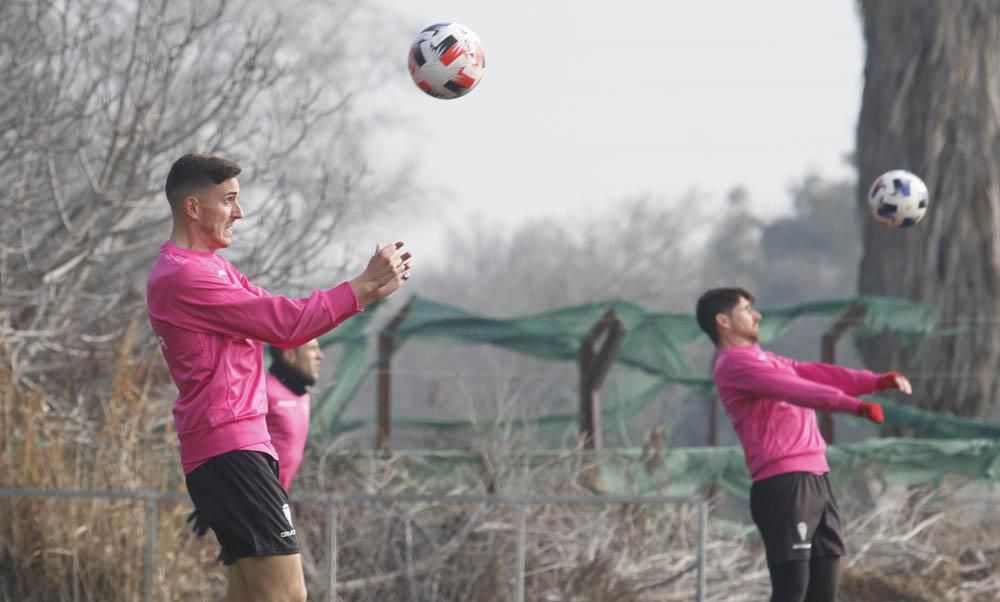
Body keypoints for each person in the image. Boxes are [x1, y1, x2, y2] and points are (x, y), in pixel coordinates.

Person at [147, 153, 412, 602]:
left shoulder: (213, 268)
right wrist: (364, 286)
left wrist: (368, 290)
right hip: (231, 453)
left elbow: (285, 318)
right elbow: (287, 325)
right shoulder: (185, 277)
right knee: (288, 596)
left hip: (237, 453)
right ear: (193, 208)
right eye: (229, 200)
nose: (240, 212)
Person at [695, 287, 911, 602]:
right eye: (747, 309)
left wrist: (874, 381)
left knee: (823, 592)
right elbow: (796, 389)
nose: (757, 315)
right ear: (722, 321)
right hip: (784, 484)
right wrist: (854, 406)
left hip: (817, 479)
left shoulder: (766, 358)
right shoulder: (733, 365)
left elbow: (814, 373)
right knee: (792, 591)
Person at [266, 339, 323, 492]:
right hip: (254, 498)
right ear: (289, 355)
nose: (320, 356)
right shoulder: (264, 392)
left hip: (278, 497)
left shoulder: (304, 397)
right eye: (312, 349)